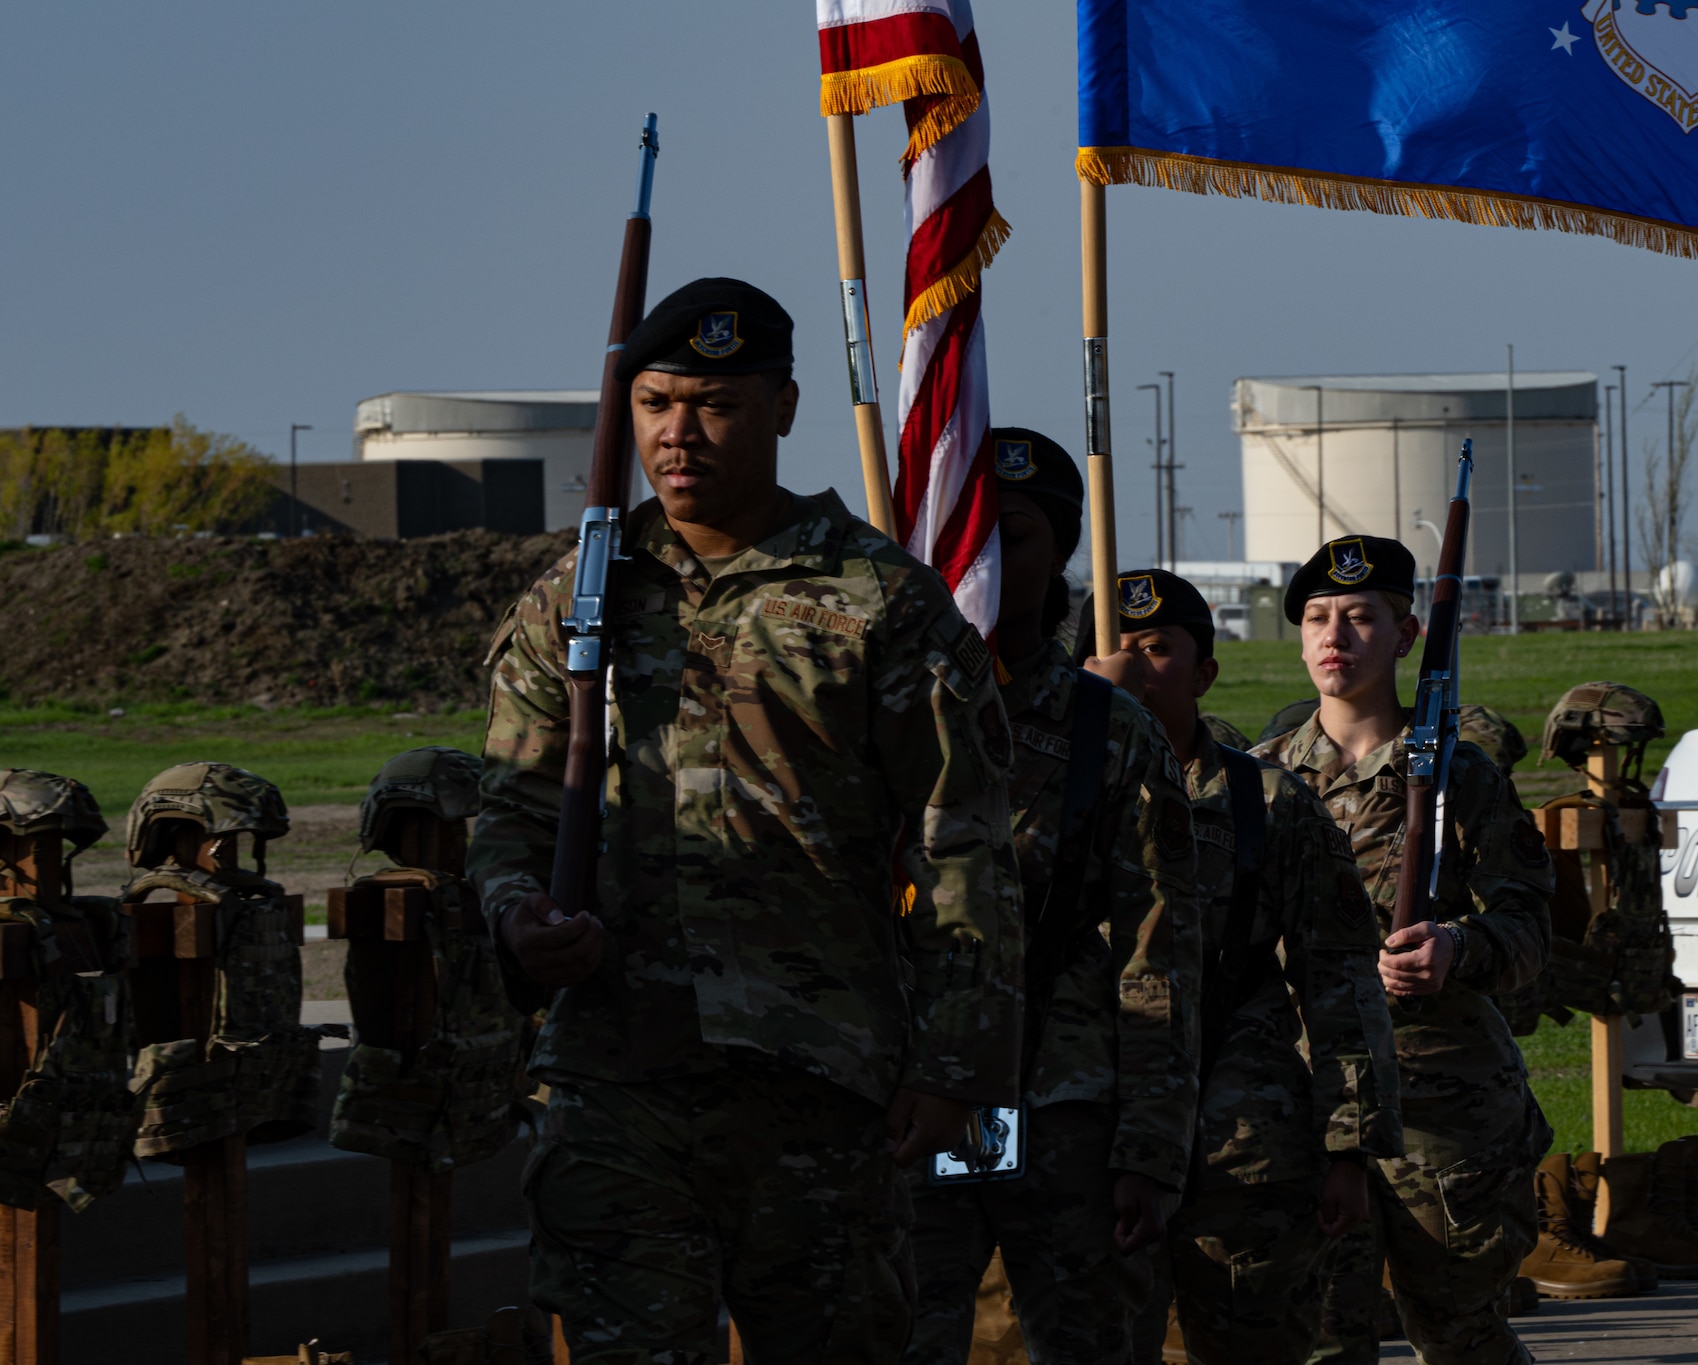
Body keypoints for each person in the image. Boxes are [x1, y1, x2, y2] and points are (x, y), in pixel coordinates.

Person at [469, 278, 1024, 1363]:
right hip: (616, 1077)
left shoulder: (878, 599)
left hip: (815, 1078)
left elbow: (961, 842)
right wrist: (515, 916)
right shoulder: (576, 604)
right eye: (655, 403)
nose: (678, 435)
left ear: (782, 406)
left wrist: (957, 1068)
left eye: (714, 406)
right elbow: (511, 814)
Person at [902, 428, 1202, 1365]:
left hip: (1060, 1111)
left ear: (1062, 549)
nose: (982, 558)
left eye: (1013, 535)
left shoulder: (1108, 733)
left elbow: (1160, 950)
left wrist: (1151, 1149)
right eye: (966, 533)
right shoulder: (886, 711)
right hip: (914, 1097)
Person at [1085, 569, 1402, 1365]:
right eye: (1114, 652)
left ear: (1205, 673)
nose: (1134, 669)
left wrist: (1347, 1146)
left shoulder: (1267, 801)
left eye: (1158, 650)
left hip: (1239, 1149)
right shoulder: (1049, 794)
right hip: (1083, 1128)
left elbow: (1339, 978)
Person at [1252, 536, 1555, 1365]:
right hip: (1309, 1102)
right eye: (1316, 618)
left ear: (1406, 634)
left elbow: (1532, 925)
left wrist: (1460, 944)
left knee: (1461, 1337)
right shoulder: (1259, 781)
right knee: (1320, 1339)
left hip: (1444, 1109)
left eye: (1359, 617)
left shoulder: (1463, 778)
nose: (1334, 637)